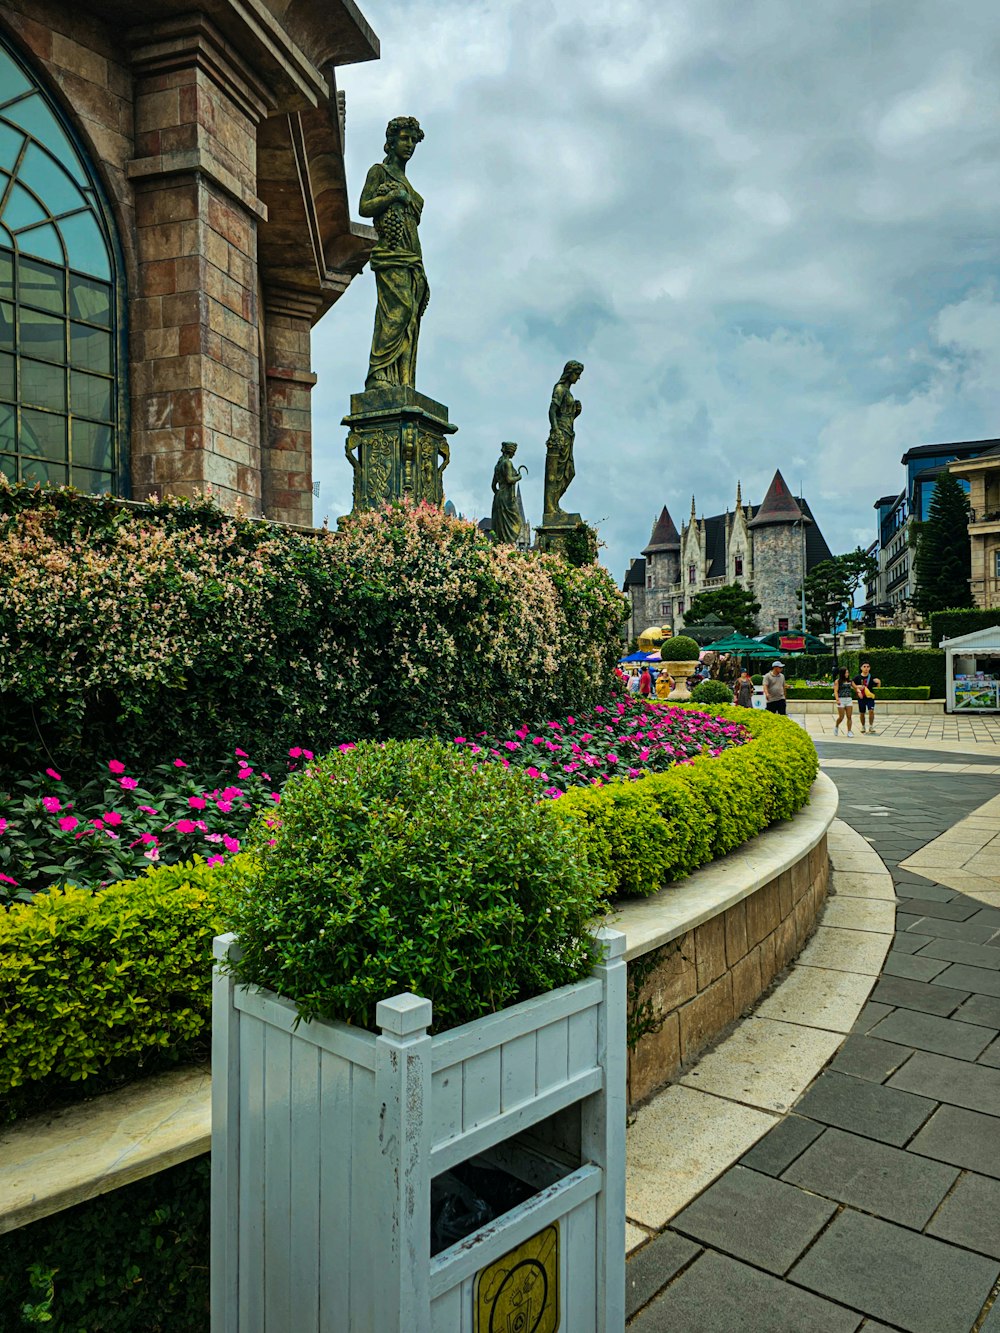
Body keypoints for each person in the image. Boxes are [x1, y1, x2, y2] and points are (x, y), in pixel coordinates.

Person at [359, 116, 429, 389]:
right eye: (404, 138)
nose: (409, 144)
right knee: (398, 311)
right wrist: (392, 197)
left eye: (413, 140)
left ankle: (403, 381)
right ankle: (377, 375)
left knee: (411, 317)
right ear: (391, 141)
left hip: (413, 255)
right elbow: (364, 207)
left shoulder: (406, 180)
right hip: (391, 252)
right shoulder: (379, 172)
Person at [543, 360, 584, 519]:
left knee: (568, 472)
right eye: (577, 374)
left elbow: (566, 415)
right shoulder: (560, 389)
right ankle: (551, 508)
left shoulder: (568, 392)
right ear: (569, 373)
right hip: (560, 434)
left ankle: (555, 504)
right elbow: (552, 411)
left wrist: (576, 412)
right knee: (556, 472)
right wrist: (555, 430)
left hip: (568, 433)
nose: (578, 378)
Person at [490, 441, 527, 545]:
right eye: (513, 452)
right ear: (510, 451)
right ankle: (506, 548)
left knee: (501, 526)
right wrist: (519, 477)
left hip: (499, 496)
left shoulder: (498, 465)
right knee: (517, 521)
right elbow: (510, 479)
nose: (514, 454)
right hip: (507, 497)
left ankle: (501, 548)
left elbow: (493, 485)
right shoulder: (508, 463)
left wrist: (498, 494)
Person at [853, 661, 882, 734]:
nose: (866, 668)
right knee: (862, 713)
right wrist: (857, 687)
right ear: (861, 668)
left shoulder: (871, 677)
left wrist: (879, 682)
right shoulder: (857, 677)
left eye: (868, 667)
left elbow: (878, 686)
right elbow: (852, 685)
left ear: (870, 668)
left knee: (871, 711)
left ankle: (871, 726)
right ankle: (863, 726)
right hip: (861, 697)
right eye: (864, 666)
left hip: (870, 697)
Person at [832, 665, 855, 737]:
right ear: (842, 673)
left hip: (848, 700)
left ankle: (849, 731)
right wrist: (837, 700)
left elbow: (855, 687)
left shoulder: (850, 681)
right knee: (841, 717)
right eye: (846, 673)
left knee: (849, 716)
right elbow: (835, 691)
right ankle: (836, 726)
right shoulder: (838, 681)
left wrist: (859, 690)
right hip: (841, 700)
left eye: (848, 673)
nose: (847, 674)